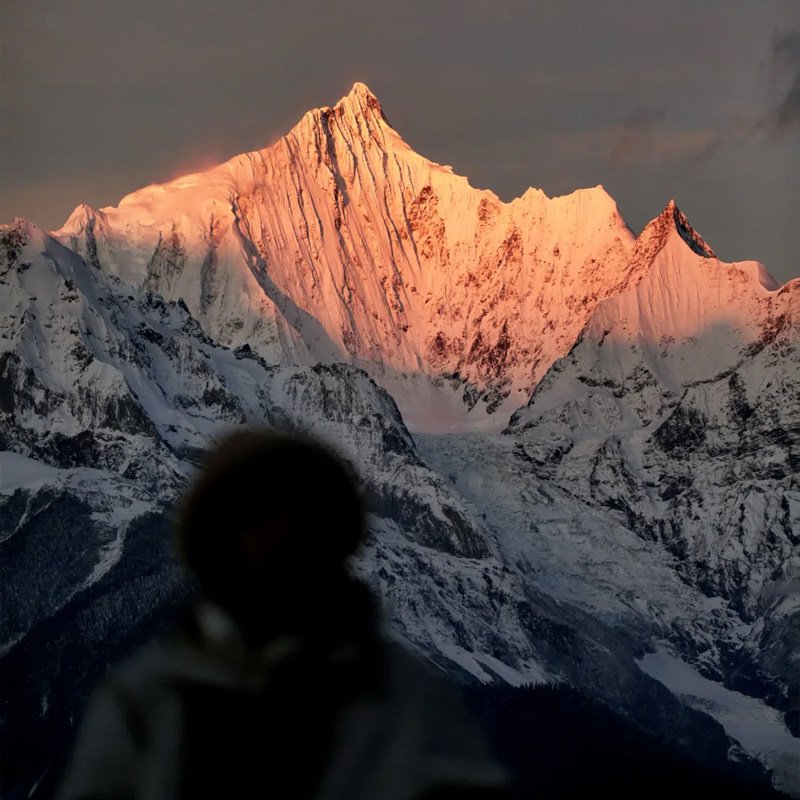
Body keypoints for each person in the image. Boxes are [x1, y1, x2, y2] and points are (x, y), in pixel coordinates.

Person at [58, 429, 510, 800]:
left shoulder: (409, 699)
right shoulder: (144, 700)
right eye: (253, 520)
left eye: (300, 521)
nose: (277, 538)